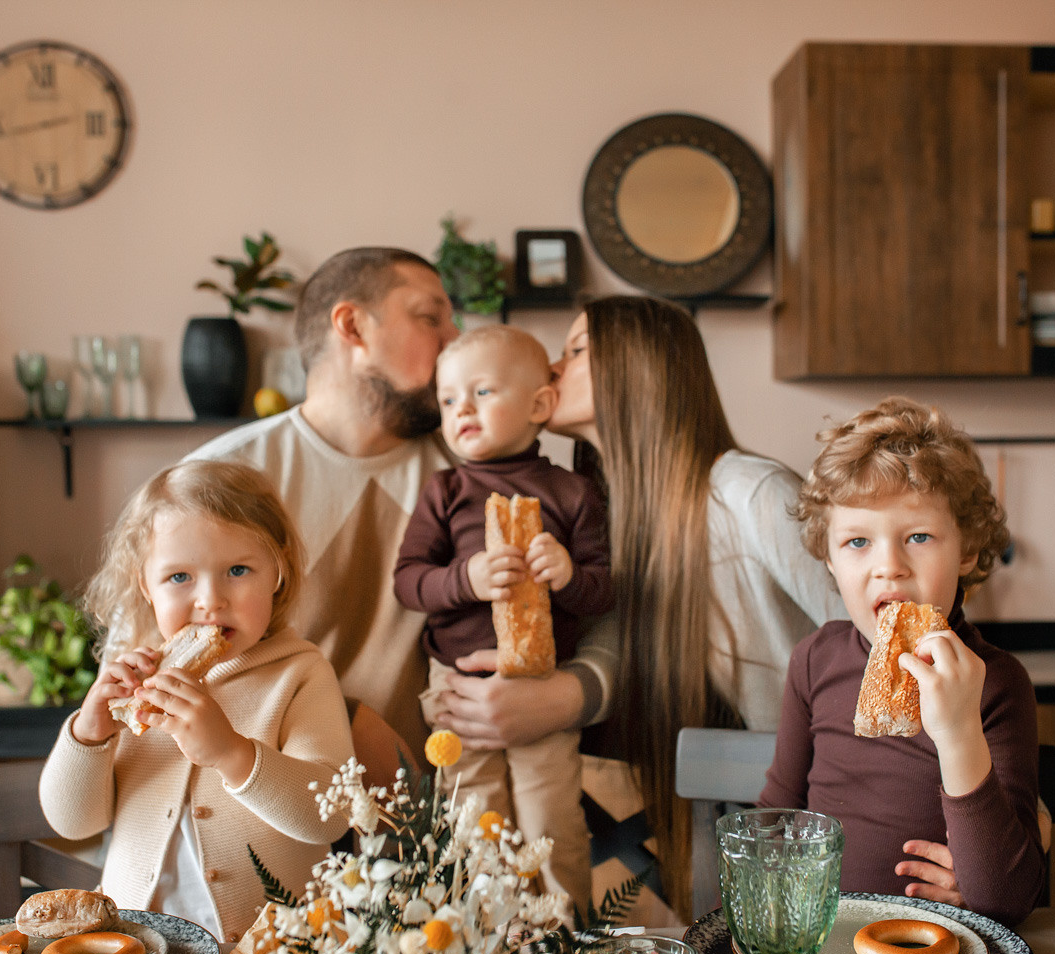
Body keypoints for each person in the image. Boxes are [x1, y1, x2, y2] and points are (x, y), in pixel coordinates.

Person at [182, 248, 611, 761]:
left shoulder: (487, 468)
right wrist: (342, 721)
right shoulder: (216, 482)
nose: (454, 339)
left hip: (446, 803)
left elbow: (612, 602)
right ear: (353, 327)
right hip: (265, 801)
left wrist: (573, 695)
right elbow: (154, 663)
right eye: (431, 318)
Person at [521, 294, 846, 917]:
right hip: (726, 813)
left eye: (577, 350)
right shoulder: (610, 522)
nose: (553, 369)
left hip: (819, 815)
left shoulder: (750, 491)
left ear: (643, 366)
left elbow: (880, 652)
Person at [38, 460, 357, 943]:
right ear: (145, 584)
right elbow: (72, 821)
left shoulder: (299, 674)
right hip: (139, 953)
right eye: (179, 577)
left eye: (237, 570)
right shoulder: (126, 678)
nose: (210, 599)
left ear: (279, 572)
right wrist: (90, 733)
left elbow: (330, 815)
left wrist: (232, 753)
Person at [758, 396, 1045, 926]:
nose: (888, 567)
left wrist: (958, 730)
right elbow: (777, 816)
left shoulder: (997, 682)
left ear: (966, 549)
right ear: (828, 556)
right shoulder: (815, 661)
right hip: (819, 945)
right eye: (857, 541)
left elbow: (1006, 899)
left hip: (939, 949)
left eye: (918, 537)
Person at [394, 325, 612, 914]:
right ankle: (485, 933)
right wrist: (466, 578)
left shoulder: (573, 494)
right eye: (447, 399)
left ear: (540, 405)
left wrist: (567, 574)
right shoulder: (446, 490)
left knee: (550, 818)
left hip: (542, 681)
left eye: (483, 392)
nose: (461, 407)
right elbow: (408, 581)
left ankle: (566, 936)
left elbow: (603, 594)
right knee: (474, 816)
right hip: (458, 686)